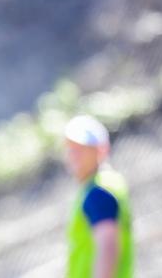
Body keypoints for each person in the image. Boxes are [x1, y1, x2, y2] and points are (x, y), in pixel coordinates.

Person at [64, 115, 133, 278]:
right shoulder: (108, 184)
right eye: (71, 149)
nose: (74, 156)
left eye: (81, 149)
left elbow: (107, 246)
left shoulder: (98, 193)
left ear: (100, 150)